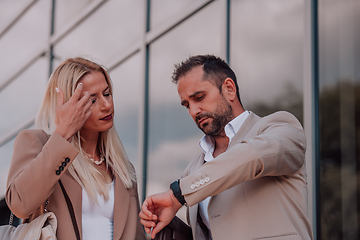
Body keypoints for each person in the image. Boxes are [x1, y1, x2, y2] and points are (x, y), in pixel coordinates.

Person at [139, 54, 313, 240]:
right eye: (186, 105)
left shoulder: (280, 128)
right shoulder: (192, 171)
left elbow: (252, 157)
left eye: (199, 97)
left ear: (229, 89)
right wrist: (169, 229)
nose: (193, 111)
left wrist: (178, 195)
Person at [6, 57, 145, 240]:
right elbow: (20, 204)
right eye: (92, 100)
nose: (107, 105)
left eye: (107, 93)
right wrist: (63, 134)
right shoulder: (37, 142)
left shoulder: (123, 170)